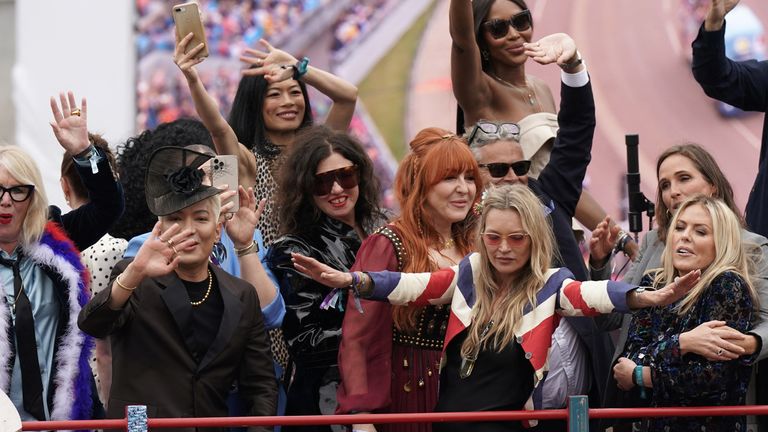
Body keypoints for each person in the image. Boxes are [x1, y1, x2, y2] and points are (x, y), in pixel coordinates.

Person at [292, 184, 700, 432]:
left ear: (534, 239)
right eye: (493, 237)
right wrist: (351, 280)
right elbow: (408, 285)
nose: (503, 249)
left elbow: (594, 295)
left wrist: (651, 297)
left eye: (517, 239)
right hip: (447, 425)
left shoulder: (550, 284)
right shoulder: (466, 275)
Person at [465, 46, 617, 418]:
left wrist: (573, 66)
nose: (513, 177)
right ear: (473, 174)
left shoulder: (547, 193)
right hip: (498, 407)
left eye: (520, 165)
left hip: (578, 402)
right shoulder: (458, 225)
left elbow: (578, 132)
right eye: (498, 170)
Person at [78, 145, 277, 430]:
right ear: (158, 228)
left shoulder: (241, 295)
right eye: (174, 219)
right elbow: (92, 324)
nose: (188, 229)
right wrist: (135, 271)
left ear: (218, 229)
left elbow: (261, 386)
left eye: (201, 218)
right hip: (140, 427)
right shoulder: (134, 276)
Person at [589, 143, 768, 431]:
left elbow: (712, 373)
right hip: (641, 414)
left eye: (684, 179)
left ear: (713, 186)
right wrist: (682, 344)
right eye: (664, 184)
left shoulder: (745, 258)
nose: (673, 191)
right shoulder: (651, 258)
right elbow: (619, 327)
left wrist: (748, 343)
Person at [449, 0, 635, 255]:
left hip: (557, 233)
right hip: (512, 242)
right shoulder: (479, 94)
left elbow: (565, 183)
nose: (514, 33)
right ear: (481, 39)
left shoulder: (542, 89)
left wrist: (622, 240)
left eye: (521, 20)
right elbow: (461, 41)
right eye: (499, 28)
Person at [337, 128, 481, 432]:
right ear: (420, 184)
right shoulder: (389, 243)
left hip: (472, 397)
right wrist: (362, 416)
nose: (464, 189)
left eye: (469, 178)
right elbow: (359, 339)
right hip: (412, 395)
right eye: (449, 178)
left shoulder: (477, 245)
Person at [0, 91, 122, 422]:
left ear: (33, 197)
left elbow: (109, 207)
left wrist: (84, 152)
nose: (6, 201)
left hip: (61, 418)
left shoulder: (54, 240)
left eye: (17, 190)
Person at [264, 125, 383, 431]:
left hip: (391, 388)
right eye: (321, 182)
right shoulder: (295, 250)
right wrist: (383, 332)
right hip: (326, 403)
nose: (336, 189)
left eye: (345, 175)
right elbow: (306, 342)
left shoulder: (386, 229)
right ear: (304, 189)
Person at [612, 195, 758, 431]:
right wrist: (683, 343)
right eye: (679, 227)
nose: (685, 236)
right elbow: (630, 357)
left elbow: (712, 378)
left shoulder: (728, 285)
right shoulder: (654, 282)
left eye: (700, 231)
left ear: (721, 243)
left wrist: (643, 376)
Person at [59, 133, 126, 407]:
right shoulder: (124, 250)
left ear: (64, 187)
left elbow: (104, 347)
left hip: (80, 386)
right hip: (105, 388)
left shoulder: (55, 246)